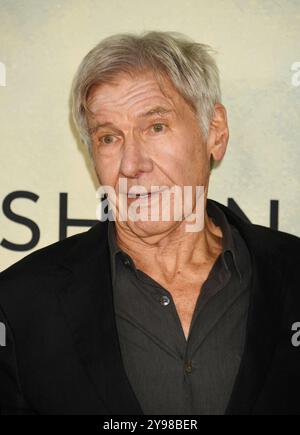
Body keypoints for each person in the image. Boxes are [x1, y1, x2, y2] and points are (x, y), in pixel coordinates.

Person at [0, 31, 299, 415]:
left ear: (216, 132)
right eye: (109, 137)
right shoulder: (20, 304)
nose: (131, 164)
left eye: (155, 127)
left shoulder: (294, 274)